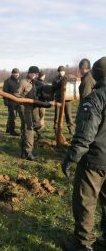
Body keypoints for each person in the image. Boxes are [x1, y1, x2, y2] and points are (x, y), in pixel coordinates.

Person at [62, 57, 106, 251]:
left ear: (95, 74)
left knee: (85, 202)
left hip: (94, 161)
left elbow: (85, 136)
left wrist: (70, 158)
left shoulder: (95, 98)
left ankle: (83, 244)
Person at [16, 66, 57, 161]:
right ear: (29, 73)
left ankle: (24, 151)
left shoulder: (34, 83)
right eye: (34, 73)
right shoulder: (23, 82)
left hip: (32, 107)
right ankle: (27, 153)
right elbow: (16, 95)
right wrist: (23, 101)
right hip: (24, 107)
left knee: (32, 127)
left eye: (37, 74)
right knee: (28, 129)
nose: (36, 75)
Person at [52, 65, 73, 134]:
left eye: (63, 71)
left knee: (68, 114)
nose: (61, 72)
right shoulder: (55, 79)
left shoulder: (67, 78)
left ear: (64, 72)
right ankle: (55, 128)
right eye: (60, 71)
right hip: (58, 99)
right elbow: (53, 88)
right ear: (58, 72)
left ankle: (70, 128)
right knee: (57, 114)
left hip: (67, 99)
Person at [3, 68, 22, 136]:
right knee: (12, 116)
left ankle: (8, 129)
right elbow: (4, 92)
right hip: (11, 102)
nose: (16, 74)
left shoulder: (20, 81)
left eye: (17, 73)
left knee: (13, 116)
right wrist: (5, 101)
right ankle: (12, 131)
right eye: (15, 73)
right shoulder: (7, 81)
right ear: (12, 73)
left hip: (19, 101)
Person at [33, 70, 46, 140]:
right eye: (44, 76)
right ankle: (40, 135)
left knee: (37, 119)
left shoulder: (34, 83)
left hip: (37, 103)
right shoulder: (41, 84)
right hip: (40, 103)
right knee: (39, 119)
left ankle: (40, 135)